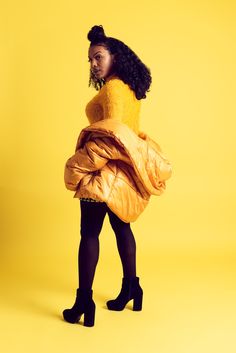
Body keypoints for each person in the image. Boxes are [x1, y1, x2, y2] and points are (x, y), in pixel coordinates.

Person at [62, 24, 152, 327]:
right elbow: (130, 133)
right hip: (123, 174)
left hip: (102, 173)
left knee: (89, 233)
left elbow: (112, 135)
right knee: (122, 229)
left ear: (115, 56)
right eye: (90, 60)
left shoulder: (112, 90)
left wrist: (78, 164)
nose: (93, 64)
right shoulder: (128, 88)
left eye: (98, 57)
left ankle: (83, 303)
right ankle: (132, 287)